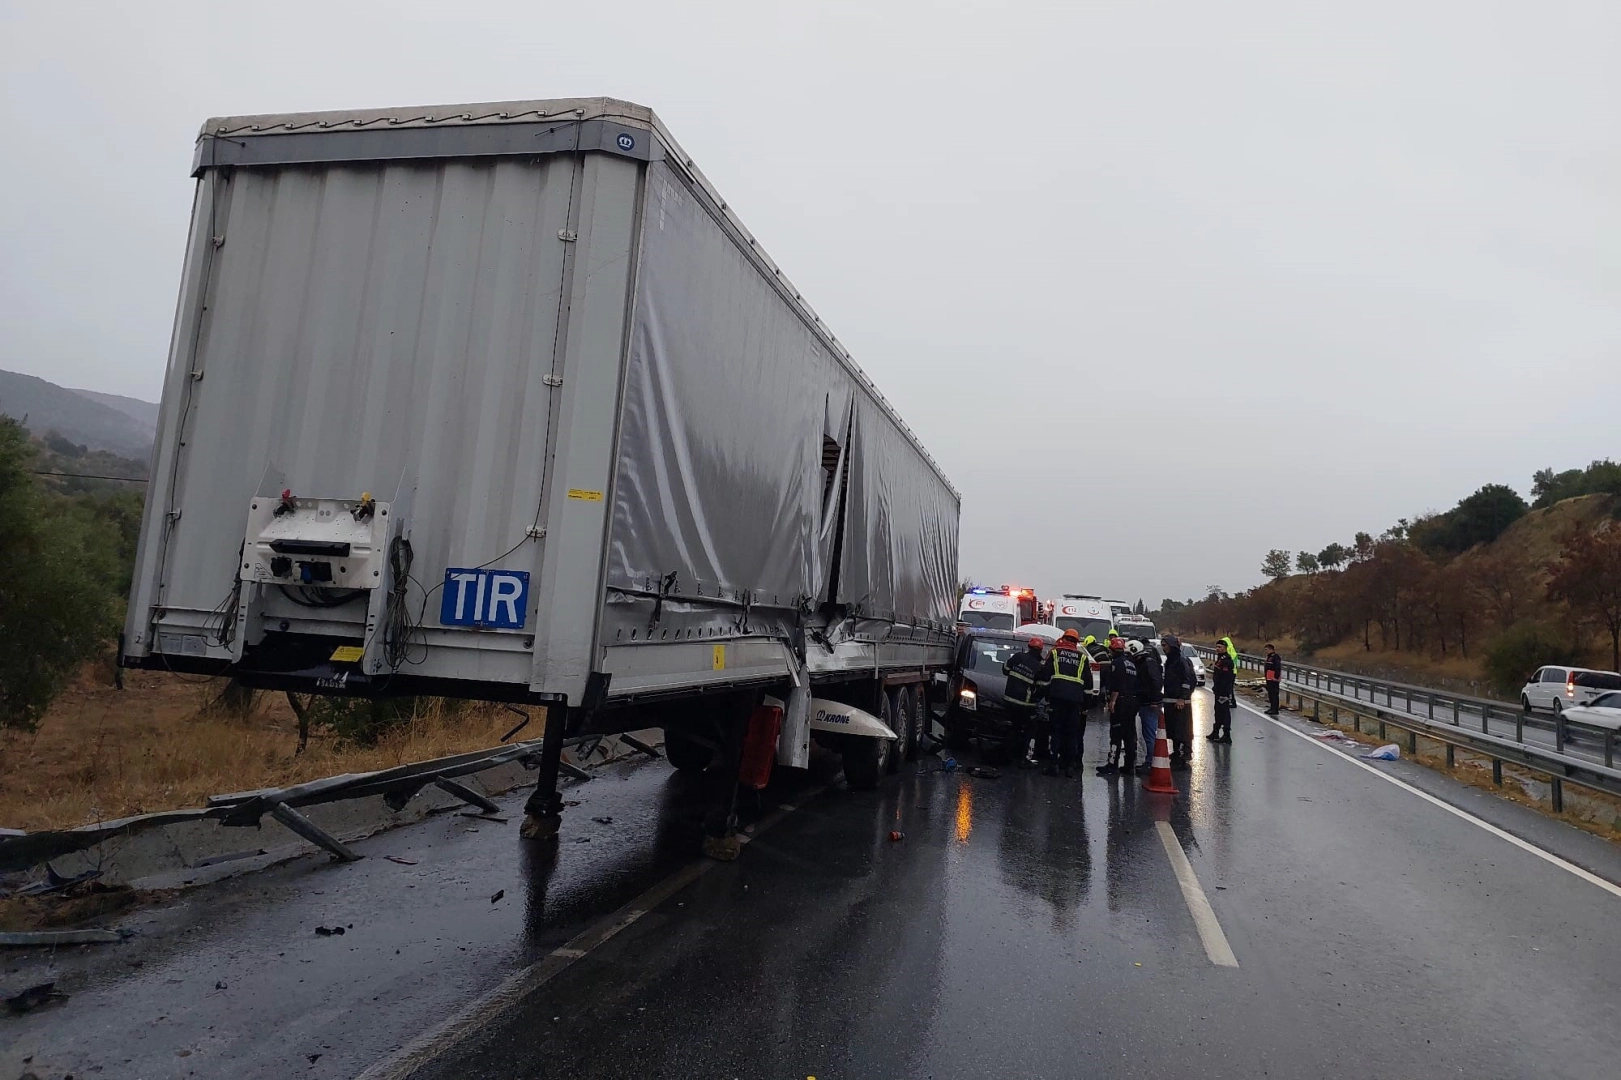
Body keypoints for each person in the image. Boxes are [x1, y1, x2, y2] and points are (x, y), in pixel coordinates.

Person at [1039, 629, 1090, 776]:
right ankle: (1069, 767)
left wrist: (1045, 695)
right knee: (1072, 733)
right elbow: (1088, 684)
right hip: (1075, 701)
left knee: (1055, 731)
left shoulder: (1055, 653)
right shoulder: (1082, 657)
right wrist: (1086, 705)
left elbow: (1045, 677)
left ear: (1064, 639)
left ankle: (1053, 764)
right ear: (1076, 642)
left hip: (1057, 698)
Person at [1002, 637, 1048, 767]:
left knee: (1012, 728)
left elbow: (1005, 669)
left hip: (1009, 700)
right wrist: (1035, 699)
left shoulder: (1017, 657)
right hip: (1025, 704)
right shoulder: (1039, 667)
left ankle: (1007, 756)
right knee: (1029, 730)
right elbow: (1042, 687)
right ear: (1040, 650)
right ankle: (1024, 758)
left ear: (1028, 647)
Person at [1097, 636, 1139, 775]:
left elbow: (1117, 683)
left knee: (1116, 734)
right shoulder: (1131, 663)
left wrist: (1112, 701)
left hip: (1121, 701)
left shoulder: (1116, 663)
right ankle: (1129, 765)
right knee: (1129, 734)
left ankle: (1112, 764)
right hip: (1132, 702)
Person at [1127, 639, 1163, 775]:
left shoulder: (1148, 663)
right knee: (1147, 733)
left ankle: (1151, 763)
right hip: (1145, 701)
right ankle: (1151, 761)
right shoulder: (1144, 662)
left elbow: (1156, 681)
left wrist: (1154, 700)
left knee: (1149, 734)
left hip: (1150, 703)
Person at [1161, 635, 1196, 769]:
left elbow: (1188, 681)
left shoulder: (1181, 661)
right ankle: (1176, 753)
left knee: (1182, 730)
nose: (1163, 648)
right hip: (1171, 701)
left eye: (1165, 645)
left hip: (1180, 702)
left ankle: (1183, 755)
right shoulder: (1170, 661)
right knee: (1174, 729)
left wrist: (1183, 697)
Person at [1209, 638, 1236, 742]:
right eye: (1216, 647)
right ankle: (1215, 732)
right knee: (1218, 711)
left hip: (1223, 691)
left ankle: (1226, 734)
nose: (1217, 649)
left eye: (1220, 647)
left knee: (1224, 712)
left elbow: (1226, 678)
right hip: (1218, 690)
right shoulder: (1220, 659)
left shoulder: (1226, 661)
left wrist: (1224, 692)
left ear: (1225, 648)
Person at [1264, 643, 1282, 715]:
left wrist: (1276, 677)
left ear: (1271, 649)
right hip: (1269, 678)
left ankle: (1275, 709)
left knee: (1274, 694)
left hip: (1274, 679)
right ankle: (1272, 708)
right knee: (1271, 694)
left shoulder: (1275, 657)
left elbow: (1277, 668)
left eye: (1266, 649)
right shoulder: (1269, 657)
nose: (1266, 651)